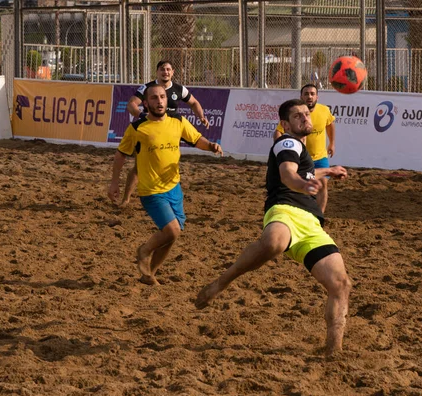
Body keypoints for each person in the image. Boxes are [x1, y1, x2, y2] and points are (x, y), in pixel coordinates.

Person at [196, 99, 351, 357]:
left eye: (306, 114)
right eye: (297, 115)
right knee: (274, 243)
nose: (304, 118)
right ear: (285, 124)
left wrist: (327, 172)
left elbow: (305, 173)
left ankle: (333, 351)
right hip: (285, 209)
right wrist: (302, 185)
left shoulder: (302, 149)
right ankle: (221, 282)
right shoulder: (287, 142)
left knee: (341, 284)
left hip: (311, 223)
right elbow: (288, 174)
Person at [108, 83, 223, 285]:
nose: (160, 101)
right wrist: (114, 183)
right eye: (154, 98)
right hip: (151, 191)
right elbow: (120, 156)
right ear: (145, 103)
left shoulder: (177, 121)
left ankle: (149, 274)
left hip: (174, 188)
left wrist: (211, 146)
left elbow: (196, 139)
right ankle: (144, 250)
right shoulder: (137, 128)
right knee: (172, 230)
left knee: (172, 235)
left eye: (162, 97)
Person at [119, 60, 211, 206]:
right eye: (162, 69)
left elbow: (194, 102)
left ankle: (165, 197)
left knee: (169, 162)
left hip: (170, 131)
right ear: (157, 72)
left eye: (168, 69)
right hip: (151, 131)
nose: (165, 72)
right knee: (138, 167)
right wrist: (142, 116)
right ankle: (126, 199)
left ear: (173, 72)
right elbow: (131, 104)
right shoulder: (148, 88)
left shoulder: (179, 89)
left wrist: (201, 116)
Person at [274, 84, 335, 213]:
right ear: (301, 96)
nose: (309, 96)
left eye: (312, 93)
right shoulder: (293, 115)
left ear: (317, 96)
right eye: (306, 94)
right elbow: (278, 131)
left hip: (320, 156)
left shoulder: (324, 110)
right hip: (300, 159)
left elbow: (330, 125)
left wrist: (332, 143)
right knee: (296, 186)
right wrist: (280, 149)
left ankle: (319, 216)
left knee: (323, 185)